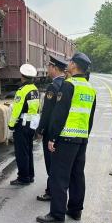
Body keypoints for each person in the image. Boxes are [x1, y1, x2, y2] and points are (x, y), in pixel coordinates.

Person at [36, 53, 96, 223]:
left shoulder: (69, 85)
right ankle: (75, 211)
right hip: (81, 138)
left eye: (70, 62)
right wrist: (85, 136)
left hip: (66, 137)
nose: (68, 64)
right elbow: (90, 117)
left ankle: (57, 214)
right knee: (77, 175)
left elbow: (59, 114)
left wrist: (52, 137)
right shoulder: (90, 88)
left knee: (59, 176)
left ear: (74, 65)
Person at [35, 56, 68, 201]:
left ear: (54, 68)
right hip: (63, 130)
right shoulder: (67, 84)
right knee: (59, 163)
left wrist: (40, 130)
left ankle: (51, 192)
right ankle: (56, 189)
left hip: (51, 131)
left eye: (49, 66)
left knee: (51, 163)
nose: (47, 69)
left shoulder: (52, 87)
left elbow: (47, 112)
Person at [8, 63, 40, 186]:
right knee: (28, 150)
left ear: (22, 76)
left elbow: (17, 110)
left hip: (22, 125)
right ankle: (30, 175)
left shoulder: (22, 91)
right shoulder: (35, 89)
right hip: (31, 125)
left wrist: (11, 125)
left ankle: (23, 178)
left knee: (21, 153)